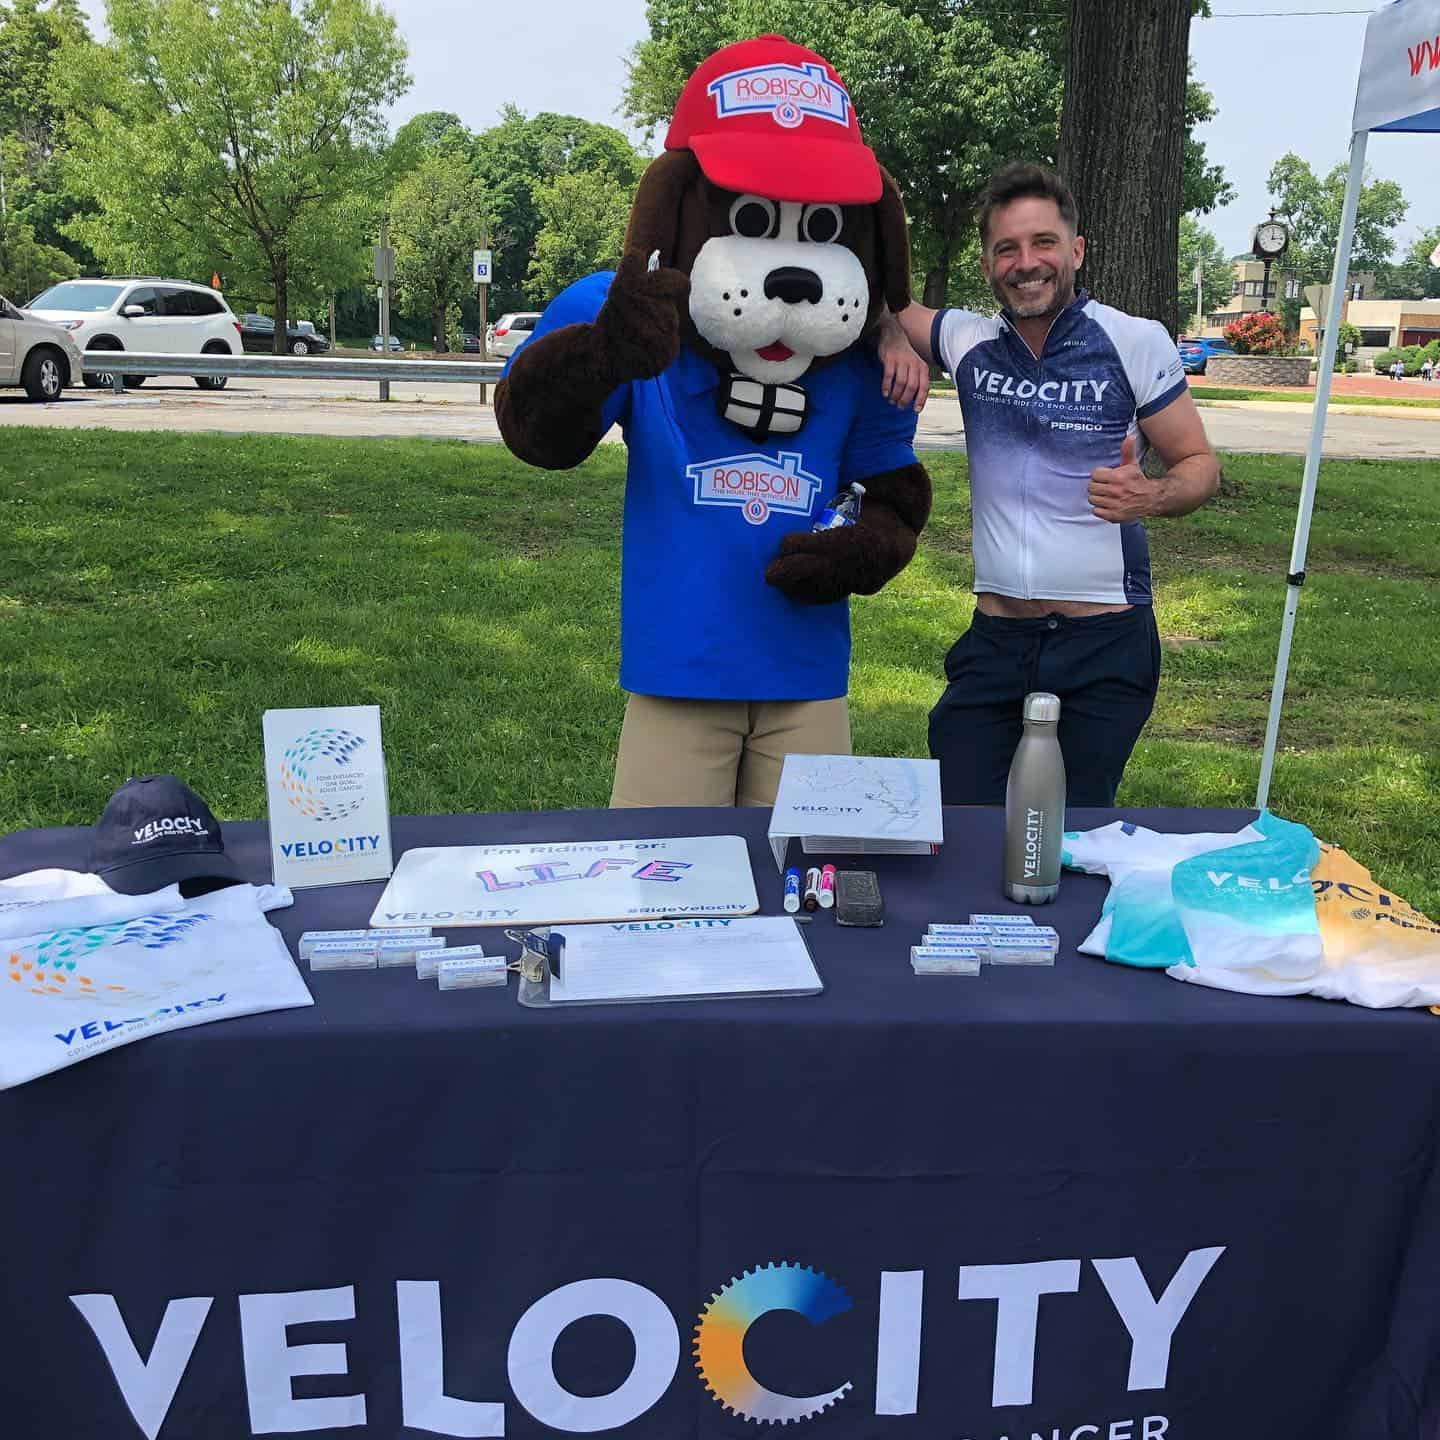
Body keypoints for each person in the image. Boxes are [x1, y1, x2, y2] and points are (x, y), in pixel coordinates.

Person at [874, 162, 1220, 806]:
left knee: (1074, 834)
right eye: (1007, 248)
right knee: (964, 817)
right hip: (998, 639)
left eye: (1043, 243)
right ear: (987, 264)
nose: (1026, 263)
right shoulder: (967, 340)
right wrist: (894, 336)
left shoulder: (1134, 341)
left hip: (1104, 644)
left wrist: (1152, 495)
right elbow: (880, 303)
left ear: (1076, 251)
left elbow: (1199, 463)